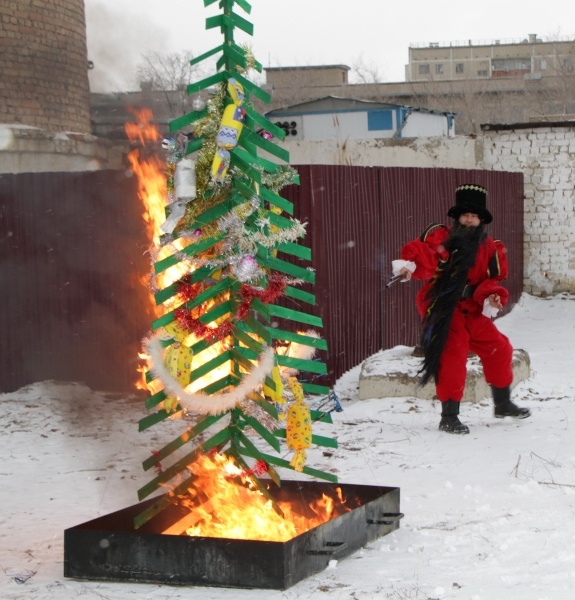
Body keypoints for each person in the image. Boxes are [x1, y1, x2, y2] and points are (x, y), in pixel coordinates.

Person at [392, 183, 531, 434]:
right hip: (445, 307)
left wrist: (492, 298)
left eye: (474, 216)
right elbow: (425, 255)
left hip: (473, 308)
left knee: (500, 348)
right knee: (453, 357)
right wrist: (409, 267)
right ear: (457, 217)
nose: (469, 219)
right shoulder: (441, 238)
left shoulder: (490, 247)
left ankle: (502, 404)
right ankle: (449, 416)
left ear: (481, 220)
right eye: (465, 215)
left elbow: (489, 281)